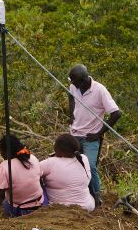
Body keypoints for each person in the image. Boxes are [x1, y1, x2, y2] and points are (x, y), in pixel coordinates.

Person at [67, 64, 121, 204]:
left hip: (90, 137)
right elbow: (71, 96)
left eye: (75, 82)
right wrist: (71, 112)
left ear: (84, 80)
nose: (72, 84)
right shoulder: (74, 86)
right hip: (74, 133)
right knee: (70, 164)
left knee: (90, 166)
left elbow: (116, 113)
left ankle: (97, 197)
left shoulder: (100, 90)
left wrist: (98, 134)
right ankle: (77, 194)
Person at [0, 134, 43, 220]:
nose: (0, 153)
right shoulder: (32, 158)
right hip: (40, 205)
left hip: (20, 210)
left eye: (0, 151)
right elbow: (39, 179)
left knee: (5, 200)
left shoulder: (5, 166)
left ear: (6, 152)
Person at [39, 133, 95, 212]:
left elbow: (31, 173)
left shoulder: (50, 163)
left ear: (59, 149)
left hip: (62, 209)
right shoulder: (83, 158)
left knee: (36, 181)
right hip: (88, 206)